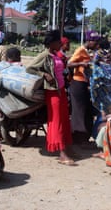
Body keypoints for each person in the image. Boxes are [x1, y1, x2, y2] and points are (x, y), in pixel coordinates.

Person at [27, 30, 75, 166]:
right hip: (52, 92)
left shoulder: (56, 55)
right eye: (58, 42)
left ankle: (68, 148)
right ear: (51, 43)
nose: (61, 44)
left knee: (65, 120)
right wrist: (44, 75)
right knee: (57, 121)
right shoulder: (44, 55)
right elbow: (29, 68)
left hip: (61, 90)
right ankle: (61, 153)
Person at [67, 30, 99, 147]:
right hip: (77, 83)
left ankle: (83, 137)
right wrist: (81, 64)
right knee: (79, 111)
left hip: (84, 83)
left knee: (86, 110)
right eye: (94, 42)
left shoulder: (87, 52)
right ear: (89, 41)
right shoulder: (80, 50)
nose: (96, 44)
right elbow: (69, 64)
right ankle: (79, 138)